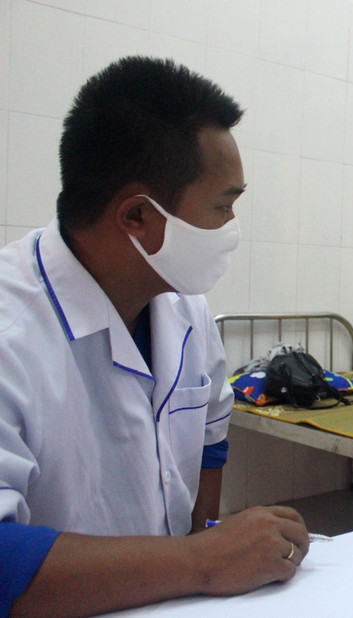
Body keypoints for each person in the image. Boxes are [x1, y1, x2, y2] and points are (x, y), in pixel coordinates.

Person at [0, 56, 310, 617]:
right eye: (222, 206)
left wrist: (208, 543)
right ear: (138, 217)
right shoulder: (12, 334)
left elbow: (211, 430)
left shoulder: (185, 308)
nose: (231, 227)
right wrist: (203, 560)